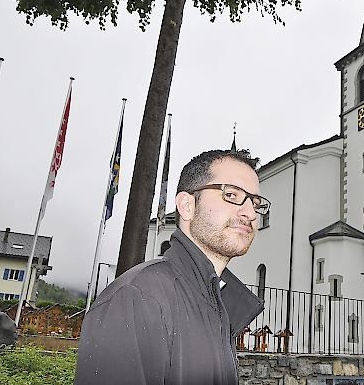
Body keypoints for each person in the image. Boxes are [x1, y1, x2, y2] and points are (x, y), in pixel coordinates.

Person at [75, 149, 269, 385]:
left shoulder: (216, 304)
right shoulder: (137, 297)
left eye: (256, 203)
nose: (250, 213)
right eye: (231, 194)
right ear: (187, 205)